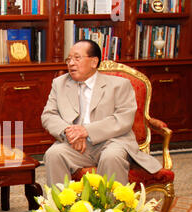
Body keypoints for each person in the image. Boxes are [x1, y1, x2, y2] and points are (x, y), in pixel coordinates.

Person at [41, 39, 162, 186]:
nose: (71, 63)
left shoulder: (119, 85)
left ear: (93, 62)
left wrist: (85, 131)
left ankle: (112, 208)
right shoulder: (60, 83)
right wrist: (69, 132)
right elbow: (48, 115)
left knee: (112, 157)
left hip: (112, 142)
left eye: (77, 58)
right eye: (69, 59)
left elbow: (123, 119)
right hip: (75, 145)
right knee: (54, 154)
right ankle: (61, 207)